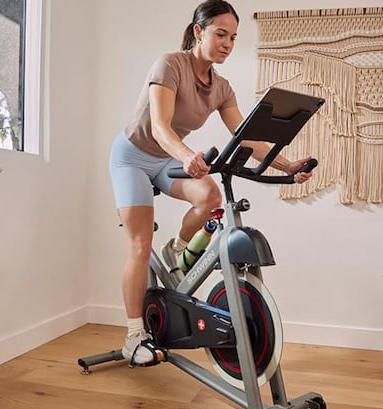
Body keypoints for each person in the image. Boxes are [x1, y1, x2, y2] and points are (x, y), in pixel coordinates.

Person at [109, 0, 314, 365]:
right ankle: (133, 335)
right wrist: (188, 156)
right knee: (140, 246)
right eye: (221, 34)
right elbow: (159, 126)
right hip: (133, 157)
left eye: (233, 38)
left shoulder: (221, 87)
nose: (227, 44)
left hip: (168, 158)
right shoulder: (170, 64)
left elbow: (244, 135)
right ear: (198, 31)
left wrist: (285, 164)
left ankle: (178, 247)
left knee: (210, 196)